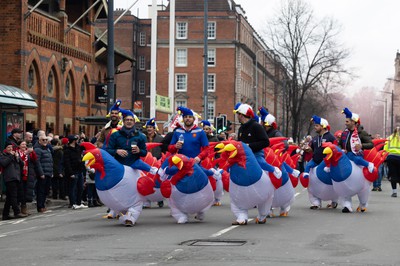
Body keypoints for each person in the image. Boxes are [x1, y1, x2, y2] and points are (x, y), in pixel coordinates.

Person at [302, 115, 338, 209]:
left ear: (323, 126)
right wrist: (308, 149)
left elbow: (336, 148)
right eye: (315, 125)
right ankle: (315, 203)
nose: (315, 127)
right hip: (315, 162)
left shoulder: (331, 137)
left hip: (327, 164)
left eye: (317, 125)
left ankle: (333, 201)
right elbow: (313, 150)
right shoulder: (314, 138)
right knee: (312, 183)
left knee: (330, 183)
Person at [338, 108, 374, 173]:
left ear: (353, 122)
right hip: (346, 156)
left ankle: (369, 164)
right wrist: (342, 149)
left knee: (355, 158)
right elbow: (339, 144)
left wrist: (361, 146)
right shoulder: (344, 133)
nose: (345, 123)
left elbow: (371, 144)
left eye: (347, 121)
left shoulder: (362, 133)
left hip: (357, 156)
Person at [1, 142, 27, 220]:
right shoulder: (3, 155)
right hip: (9, 178)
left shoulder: (14, 156)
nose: (10, 149)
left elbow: (22, 164)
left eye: (11, 148)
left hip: (16, 177)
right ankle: (17, 212)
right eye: (9, 147)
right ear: (5, 148)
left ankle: (5, 214)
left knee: (9, 197)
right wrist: (11, 156)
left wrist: (17, 157)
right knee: (13, 196)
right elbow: (4, 163)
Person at [63, 135, 87, 209]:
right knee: (72, 188)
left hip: (79, 170)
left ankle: (79, 202)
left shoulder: (78, 148)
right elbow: (67, 162)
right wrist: (71, 173)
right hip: (73, 171)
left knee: (80, 187)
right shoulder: (67, 150)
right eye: (76, 139)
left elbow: (86, 145)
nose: (77, 140)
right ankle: (72, 203)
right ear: (73, 140)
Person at [17, 140, 39, 215]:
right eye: (22, 144)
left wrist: (32, 152)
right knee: (20, 193)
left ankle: (24, 208)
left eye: (25, 144)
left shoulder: (28, 153)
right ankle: (20, 209)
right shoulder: (17, 153)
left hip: (27, 175)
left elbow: (35, 160)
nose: (24, 146)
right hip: (19, 175)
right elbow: (19, 161)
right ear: (19, 146)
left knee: (26, 192)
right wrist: (25, 153)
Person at [34, 134, 53, 213]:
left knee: (46, 191)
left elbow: (50, 161)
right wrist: (41, 173)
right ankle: (40, 206)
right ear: (39, 140)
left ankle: (43, 205)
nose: (45, 141)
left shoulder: (47, 149)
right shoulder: (38, 149)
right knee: (41, 191)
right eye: (43, 140)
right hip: (42, 174)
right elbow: (37, 162)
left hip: (48, 173)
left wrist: (51, 172)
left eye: (46, 140)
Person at [383, 126, 400, 197]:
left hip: (391, 157)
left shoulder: (389, 138)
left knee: (393, 175)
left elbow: (385, 149)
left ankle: (394, 192)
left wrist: (384, 158)